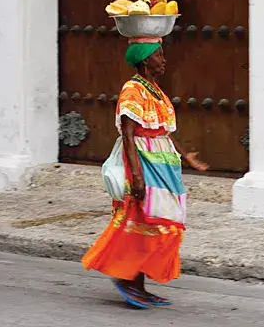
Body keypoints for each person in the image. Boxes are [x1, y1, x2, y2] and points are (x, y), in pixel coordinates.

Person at [81, 40, 209, 309]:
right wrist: (137, 176)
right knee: (143, 220)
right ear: (143, 61)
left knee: (162, 222)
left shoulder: (156, 92)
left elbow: (163, 130)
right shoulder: (132, 91)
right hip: (144, 164)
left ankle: (137, 283)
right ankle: (127, 278)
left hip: (163, 166)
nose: (163, 59)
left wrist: (187, 156)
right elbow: (128, 135)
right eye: (158, 55)